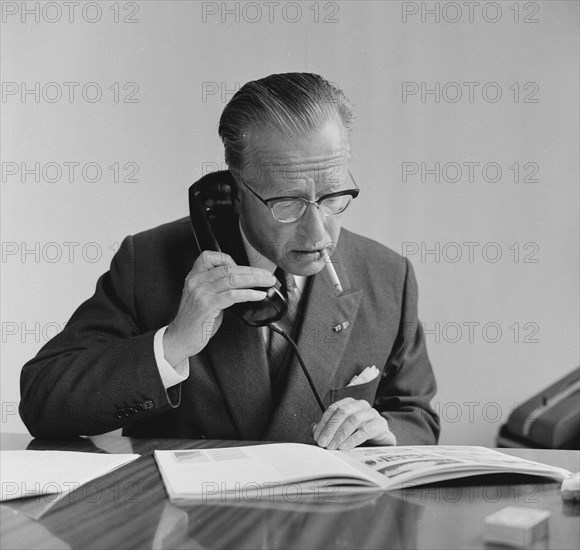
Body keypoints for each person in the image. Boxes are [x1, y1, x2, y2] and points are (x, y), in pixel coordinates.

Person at [19, 73, 439, 449]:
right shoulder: (147, 261)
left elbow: (416, 415)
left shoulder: (389, 275)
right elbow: (42, 402)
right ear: (236, 190)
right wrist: (173, 342)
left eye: (331, 197)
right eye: (287, 204)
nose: (318, 233)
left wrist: (386, 433)